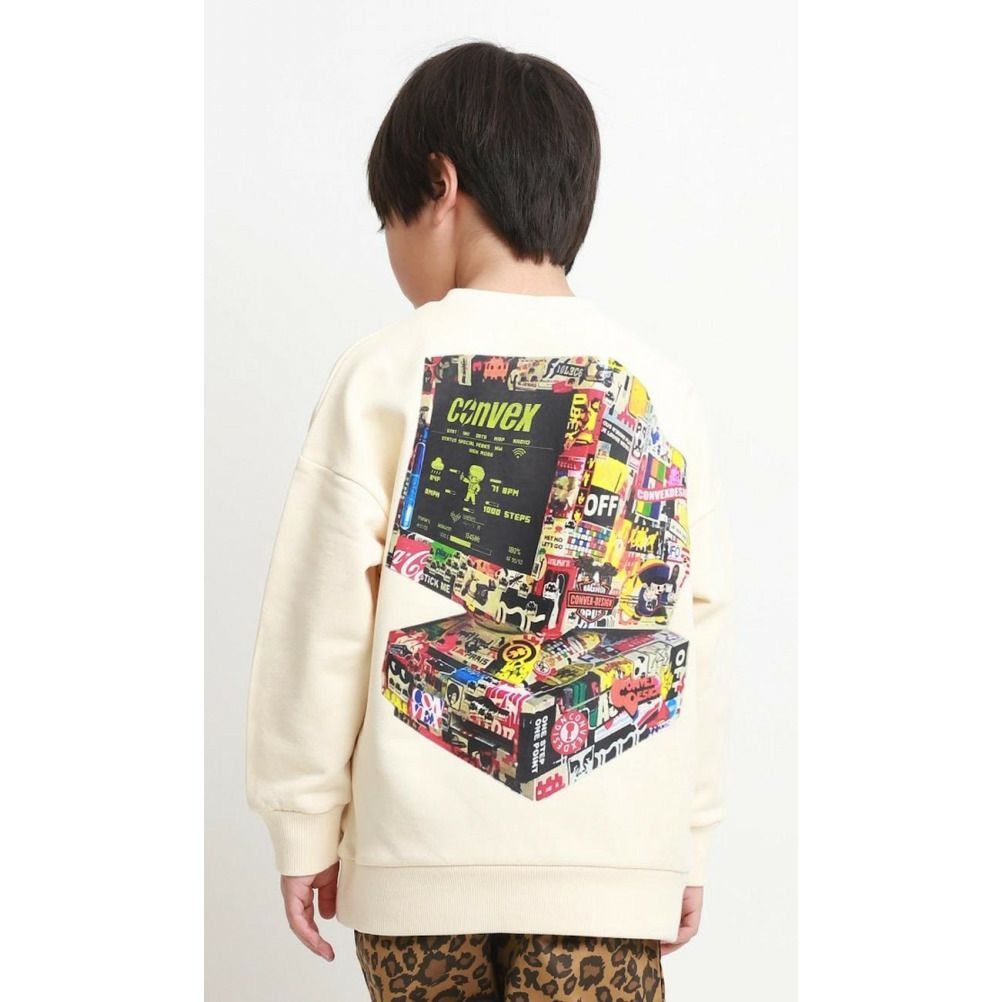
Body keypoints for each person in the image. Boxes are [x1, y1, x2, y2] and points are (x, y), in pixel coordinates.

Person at [245, 40, 734, 1002]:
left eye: (387, 217)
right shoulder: (660, 386)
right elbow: (697, 623)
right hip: (608, 863)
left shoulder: (386, 370)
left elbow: (319, 617)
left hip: (416, 864)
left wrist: (304, 822)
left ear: (439, 185)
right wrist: (689, 837)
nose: (389, 246)